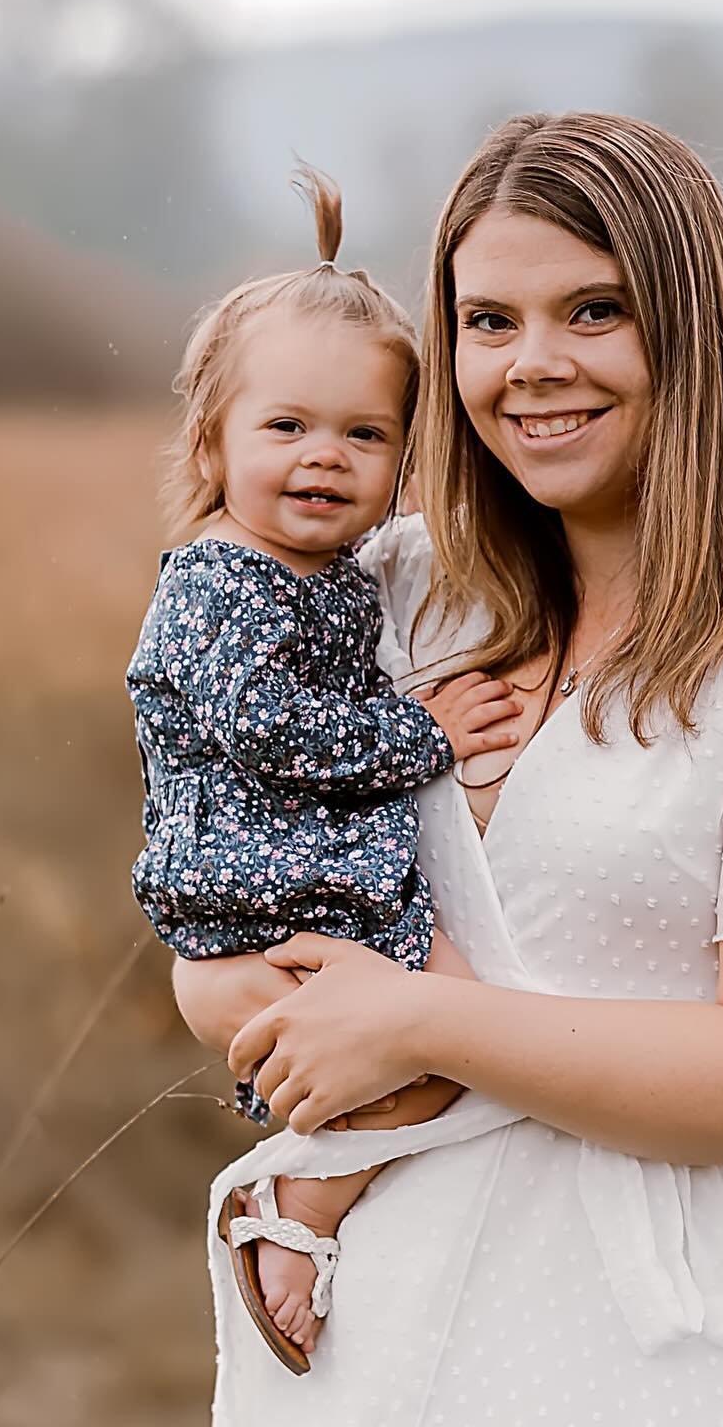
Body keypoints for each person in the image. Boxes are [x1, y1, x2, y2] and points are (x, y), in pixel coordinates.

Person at [172, 112, 723, 1425]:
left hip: (620, 1343)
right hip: (355, 1327)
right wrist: (248, 995)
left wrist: (418, 1023)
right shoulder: (401, 596)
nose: (534, 366)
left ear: (691, 329)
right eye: (490, 321)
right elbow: (219, 921)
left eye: (593, 311)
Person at [127, 167, 521, 1371]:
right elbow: (268, 733)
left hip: (319, 880)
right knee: (451, 1059)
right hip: (263, 890)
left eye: (365, 435)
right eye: (286, 428)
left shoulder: (340, 578)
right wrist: (427, 733)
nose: (324, 460)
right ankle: (296, 1214)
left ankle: (316, 1211)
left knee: (473, 1044)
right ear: (213, 440)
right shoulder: (214, 584)